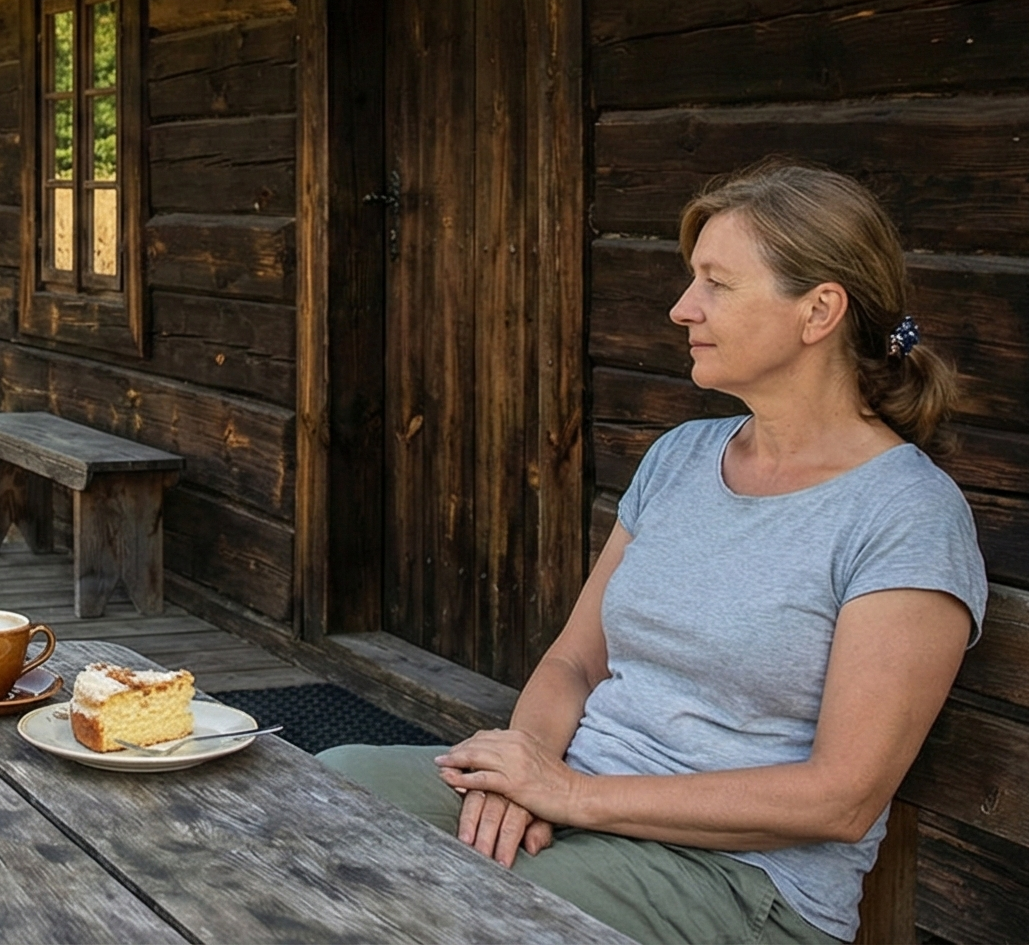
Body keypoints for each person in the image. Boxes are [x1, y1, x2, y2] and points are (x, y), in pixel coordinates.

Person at [319, 159, 987, 945]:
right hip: (583, 794)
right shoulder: (682, 456)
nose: (682, 308)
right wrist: (520, 770)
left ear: (818, 311)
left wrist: (571, 796)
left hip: (739, 882)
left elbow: (840, 799)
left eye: (716, 284)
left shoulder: (907, 515)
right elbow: (575, 660)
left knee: (442, 908)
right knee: (324, 792)